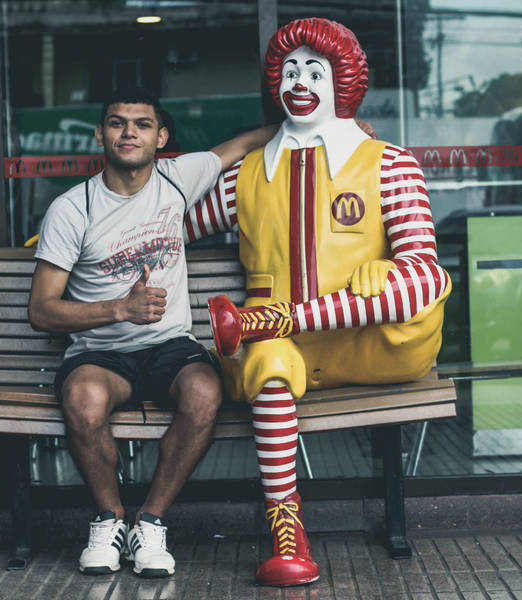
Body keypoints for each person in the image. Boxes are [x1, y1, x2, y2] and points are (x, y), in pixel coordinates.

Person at [184, 18, 451, 586]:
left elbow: (425, 276)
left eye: (314, 69)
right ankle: (288, 527)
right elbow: (167, 225)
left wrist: (372, 283)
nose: (297, 80)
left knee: (403, 283)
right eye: (288, 69)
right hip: (278, 351)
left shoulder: (390, 164)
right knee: (269, 366)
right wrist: (79, 228)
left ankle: (273, 320)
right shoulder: (246, 177)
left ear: (344, 80)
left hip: (373, 344)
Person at [27, 86, 279, 578]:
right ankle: (108, 519)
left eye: (142, 124)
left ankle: (151, 521)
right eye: (117, 123)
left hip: (169, 347)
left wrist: (342, 128)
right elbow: (41, 310)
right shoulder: (72, 208)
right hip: (101, 354)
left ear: (161, 137)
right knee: (83, 401)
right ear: (100, 134)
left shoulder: (178, 177)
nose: (129, 132)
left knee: (206, 394)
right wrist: (118, 308)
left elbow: (248, 143)